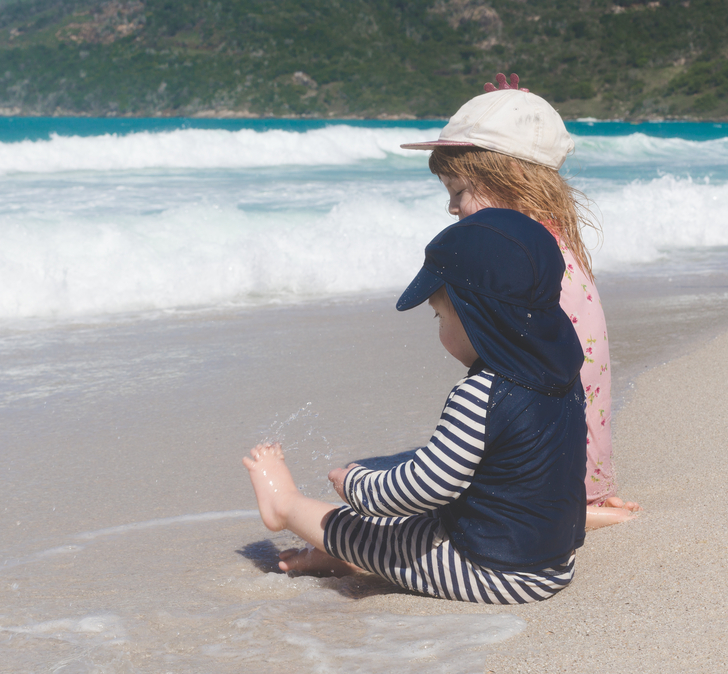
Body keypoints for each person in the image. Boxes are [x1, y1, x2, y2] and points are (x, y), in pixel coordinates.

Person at [244, 211, 589, 602]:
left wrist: (356, 486)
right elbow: (565, 468)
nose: (439, 327)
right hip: (553, 563)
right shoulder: (563, 373)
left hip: (492, 572)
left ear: (479, 318)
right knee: (414, 524)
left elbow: (426, 486)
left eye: (440, 316)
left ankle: (285, 506)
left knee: (372, 532)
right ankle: (349, 556)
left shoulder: (482, 393)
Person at [399, 73, 640, 529]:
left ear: (509, 178)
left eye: (459, 192)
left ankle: (577, 510)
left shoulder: (516, 266)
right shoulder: (549, 239)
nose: (452, 209)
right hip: (573, 455)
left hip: (547, 471)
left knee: (409, 513)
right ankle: (587, 499)